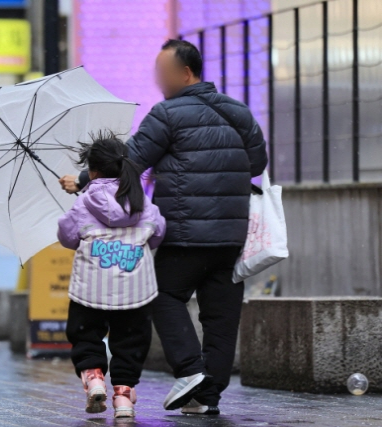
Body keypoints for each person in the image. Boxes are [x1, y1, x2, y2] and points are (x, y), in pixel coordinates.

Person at [59, 39, 268, 415]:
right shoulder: (240, 113)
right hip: (231, 235)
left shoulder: (167, 114)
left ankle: (190, 371)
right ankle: (207, 397)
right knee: (221, 316)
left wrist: (82, 179)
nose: (158, 79)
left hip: (184, 233)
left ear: (186, 73)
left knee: (162, 297)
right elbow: (256, 164)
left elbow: (129, 161)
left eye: (163, 72)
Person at [58, 132, 166, 419]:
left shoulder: (84, 203)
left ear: (91, 171)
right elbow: (157, 234)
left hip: (91, 286)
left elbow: (67, 237)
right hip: (136, 288)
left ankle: (93, 377)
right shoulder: (142, 201)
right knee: (130, 341)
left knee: (85, 333)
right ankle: (123, 399)